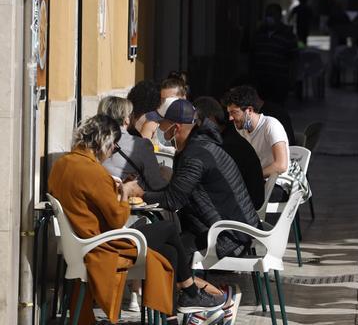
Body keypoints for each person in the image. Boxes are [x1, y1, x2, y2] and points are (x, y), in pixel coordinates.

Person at [48, 115, 225, 324]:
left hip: (82, 242)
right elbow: (117, 219)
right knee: (168, 228)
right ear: (104, 142)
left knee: (168, 252)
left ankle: (173, 317)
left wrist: (115, 190)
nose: (111, 153)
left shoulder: (62, 164)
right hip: (104, 245)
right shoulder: (93, 172)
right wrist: (125, 192)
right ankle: (190, 292)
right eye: (114, 148)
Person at [143, 99, 260, 258]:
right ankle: (188, 283)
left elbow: (173, 200)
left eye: (161, 125)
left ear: (176, 128)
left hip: (228, 238)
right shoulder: (198, 145)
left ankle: (195, 284)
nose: (158, 129)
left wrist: (139, 194)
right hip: (227, 230)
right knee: (164, 244)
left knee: (162, 254)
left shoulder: (195, 156)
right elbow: (176, 191)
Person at [223, 85, 309, 204]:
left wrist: (251, 176)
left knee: (233, 198)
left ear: (249, 110)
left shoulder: (271, 126)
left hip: (277, 184)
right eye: (229, 113)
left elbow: (281, 165)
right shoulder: (241, 128)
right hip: (259, 182)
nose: (230, 118)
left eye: (234, 112)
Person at [193, 96, 266, 211]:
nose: (195, 127)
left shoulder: (228, 146)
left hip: (244, 209)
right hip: (241, 202)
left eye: (197, 122)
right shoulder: (227, 138)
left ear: (210, 119)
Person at [98, 96, 169, 190]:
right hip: (123, 198)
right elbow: (156, 184)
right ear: (126, 119)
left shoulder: (89, 141)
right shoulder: (140, 145)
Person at [250, 3, 298, 104]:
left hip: (279, 81)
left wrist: (292, 79)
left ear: (279, 16)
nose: (269, 18)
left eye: (272, 14)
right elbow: (252, 55)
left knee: (277, 109)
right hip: (261, 81)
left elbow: (294, 59)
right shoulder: (259, 33)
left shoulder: (288, 34)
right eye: (268, 14)